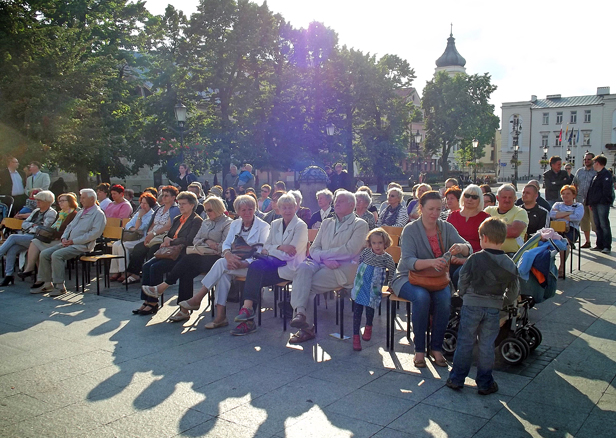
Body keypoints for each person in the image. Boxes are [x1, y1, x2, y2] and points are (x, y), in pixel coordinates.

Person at [391, 190, 472, 368]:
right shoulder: (411, 229)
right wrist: (431, 262)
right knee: (421, 297)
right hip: (407, 277)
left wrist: (461, 247)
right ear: (421, 208)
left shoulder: (446, 227)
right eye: (430, 209)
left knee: (444, 299)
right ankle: (419, 349)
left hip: (436, 278)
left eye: (438, 209)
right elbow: (408, 261)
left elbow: (469, 248)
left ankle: (436, 348)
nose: (435, 213)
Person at [446, 217, 519, 396]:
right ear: (502, 239)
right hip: (493, 307)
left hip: (471, 304)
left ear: (484, 238)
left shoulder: (475, 258)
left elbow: (462, 277)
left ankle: (456, 379)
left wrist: (463, 293)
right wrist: (504, 303)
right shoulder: (509, 263)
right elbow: (514, 288)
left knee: (465, 342)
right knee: (487, 345)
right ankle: (485, 383)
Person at [177, 195, 269, 328]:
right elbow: (226, 244)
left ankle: (200, 299)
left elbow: (262, 251)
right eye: (243, 210)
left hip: (253, 266)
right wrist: (228, 256)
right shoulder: (236, 223)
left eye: (250, 209)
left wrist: (245, 262)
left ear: (255, 209)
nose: (247, 213)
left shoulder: (263, 226)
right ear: (237, 211)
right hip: (233, 263)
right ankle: (220, 315)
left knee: (221, 266)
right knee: (223, 272)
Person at [288, 190, 369, 343]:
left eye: (341, 201)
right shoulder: (327, 222)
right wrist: (325, 259)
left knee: (306, 285)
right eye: (335, 200)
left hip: (343, 268)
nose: (336, 203)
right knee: (302, 269)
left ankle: (305, 326)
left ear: (352, 205)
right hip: (322, 263)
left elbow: (350, 250)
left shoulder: (360, 225)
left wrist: (324, 255)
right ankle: (300, 314)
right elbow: (313, 249)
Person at [140, 196, 232, 322]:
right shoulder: (206, 222)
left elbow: (224, 246)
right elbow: (196, 240)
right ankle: (183, 310)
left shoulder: (227, 223)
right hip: (199, 255)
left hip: (216, 259)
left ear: (218, 209)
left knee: (187, 260)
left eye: (209, 210)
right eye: (206, 211)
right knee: (186, 272)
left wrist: (210, 244)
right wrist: (207, 240)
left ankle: (162, 287)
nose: (207, 213)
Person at [231, 193, 308, 335]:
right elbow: (266, 247)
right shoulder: (275, 223)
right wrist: (281, 247)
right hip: (273, 265)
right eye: (284, 207)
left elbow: (291, 253)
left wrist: (275, 248)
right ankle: (247, 314)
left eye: (290, 207)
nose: (287, 210)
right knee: (254, 273)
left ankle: (247, 316)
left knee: (254, 273)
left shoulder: (300, 226)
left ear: (296, 207)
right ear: (279, 209)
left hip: (290, 268)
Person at [134, 191, 203, 316]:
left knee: (156, 267)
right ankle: (148, 300)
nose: (180, 206)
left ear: (192, 205)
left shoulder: (196, 220)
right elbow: (169, 233)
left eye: (184, 204)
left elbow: (189, 239)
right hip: (169, 251)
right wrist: (166, 238)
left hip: (181, 254)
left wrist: (171, 242)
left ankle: (153, 303)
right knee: (146, 266)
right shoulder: (177, 219)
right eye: (179, 203)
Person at [32, 189, 106, 296]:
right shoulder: (81, 212)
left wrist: (73, 241)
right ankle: (47, 283)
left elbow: (94, 234)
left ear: (92, 199)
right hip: (68, 243)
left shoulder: (98, 214)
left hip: (82, 245)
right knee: (44, 254)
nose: (81, 200)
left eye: (84, 198)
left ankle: (60, 286)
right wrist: (64, 238)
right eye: (81, 197)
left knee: (57, 255)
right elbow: (69, 227)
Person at [122, 186, 179, 284]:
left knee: (152, 251)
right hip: (153, 236)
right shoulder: (160, 209)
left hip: (164, 237)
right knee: (138, 248)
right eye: (163, 195)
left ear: (173, 197)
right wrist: (149, 235)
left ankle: (150, 278)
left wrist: (153, 234)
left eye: (167, 196)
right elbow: (152, 224)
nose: (163, 198)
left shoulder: (175, 209)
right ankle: (135, 274)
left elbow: (168, 227)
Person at [350, 228, 396, 351]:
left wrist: (391, 284)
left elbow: (392, 272)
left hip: (374, 287)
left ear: (385, 243)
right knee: (357, 310)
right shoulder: (366, 252)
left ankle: (369, 326)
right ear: (370, 243)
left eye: (380, 242)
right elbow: (359, 262)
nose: (377, 246)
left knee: (370, 308)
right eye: (374, 243)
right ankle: (355, 337)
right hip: (361, 284)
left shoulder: (387, 258)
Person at [0, 190, 56, 286]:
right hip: (28, 236)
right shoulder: (35, 211)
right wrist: (33, 226)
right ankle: (8, 275)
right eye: (37, 200)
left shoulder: (51, 213)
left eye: (39, 201)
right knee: (12, 249)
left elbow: (45, 228)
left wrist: (32, 226)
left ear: (47, 202)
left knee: (13, 237)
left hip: (39, 239)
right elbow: (24, 224)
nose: (37, 202)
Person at [21, 193, 79, 286]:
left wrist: (56, 234)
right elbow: (53, 228)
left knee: (39, 250)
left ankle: (43, 280)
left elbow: (70, 231)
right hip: (53, 238)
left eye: (63, 201)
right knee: (35, 241)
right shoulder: (60, 214)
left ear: (70, 202)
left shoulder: (74, 214)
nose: (60, 203)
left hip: (63, 241)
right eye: (59, 201)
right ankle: (32, 270)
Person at [108, 193, 157, 281]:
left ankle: (124, 271)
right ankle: (116, 270)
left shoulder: (151, 215)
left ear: (150, 204)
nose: (142, 205)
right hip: (131, 237)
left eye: (145, 203)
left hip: (141, 238)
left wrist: (139, 218)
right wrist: (134, 228)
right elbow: (128, 225)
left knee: (122, 246)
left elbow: (141, 228)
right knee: (115, 244)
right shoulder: (139, 213)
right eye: (141, 203)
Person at [484, 185, 529, 254]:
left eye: (510, 197)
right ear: (497, 198)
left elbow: (513, 232)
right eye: (504, 197)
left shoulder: (520, 212)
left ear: (515, 198)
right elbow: (479, 229)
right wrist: (506, 227)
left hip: (512, 254)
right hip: (488, 253)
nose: (507, 200)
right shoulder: (489, 210)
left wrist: (489, 228)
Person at [550, 185, 584, 277]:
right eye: (563, 194)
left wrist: (560, 214)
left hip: (571, 229)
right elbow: (552, 215)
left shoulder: (578, 205)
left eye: (568, 194)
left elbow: (577, 217)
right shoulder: (557, 204)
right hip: (556, 229)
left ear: (573, 195)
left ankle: (562, 266)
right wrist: (569, 213)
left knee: (565, 244)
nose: (565, 196)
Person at [586, 155, 614, 254]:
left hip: (602, 204)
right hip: (595, 204)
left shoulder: (606, 174)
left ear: (598, 163)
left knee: (604, 224)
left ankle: (606, 245)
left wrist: (603, 201)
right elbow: (592, 190)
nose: (593, 165)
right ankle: (599, 244)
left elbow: (606, 191)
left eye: (594, 163)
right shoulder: (596, 175)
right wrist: (589, 202)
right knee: (598, 224)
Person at [573, 152, 597, 248]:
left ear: (593, 160)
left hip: (592, 201)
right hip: (580, 200)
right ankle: (587, 241)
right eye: (585, 159)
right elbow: (574, 183)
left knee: (594, 222)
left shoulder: (595, 171)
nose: (586, 161)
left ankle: (598, 242)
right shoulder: (579, 171)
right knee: (584, 222)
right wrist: (574, 195)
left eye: (588, 159)